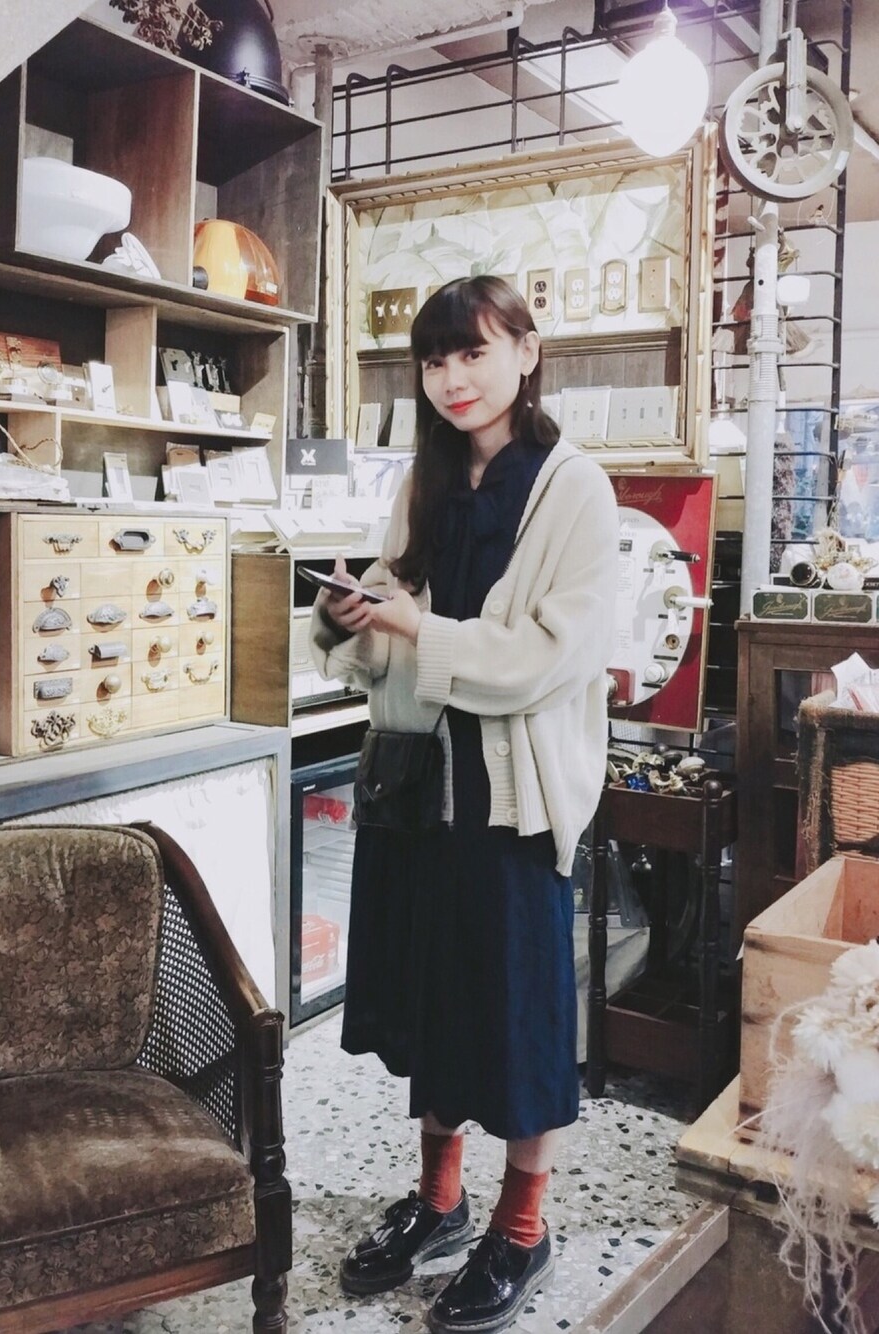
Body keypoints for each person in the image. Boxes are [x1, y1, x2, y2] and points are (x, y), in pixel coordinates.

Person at [310, 274, 619, 1334]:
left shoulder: (575, 489)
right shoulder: (426, 478)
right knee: (431, 999)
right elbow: (391, 613)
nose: (452, 378)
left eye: (473, 352)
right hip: (418, 786)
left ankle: (522, 1227)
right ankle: (438, 1202)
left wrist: (412, 628)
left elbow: (547, 657)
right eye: (435, 360)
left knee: (520, 1015)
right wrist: (350, 616)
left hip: (513, 799)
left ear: (526, 351)